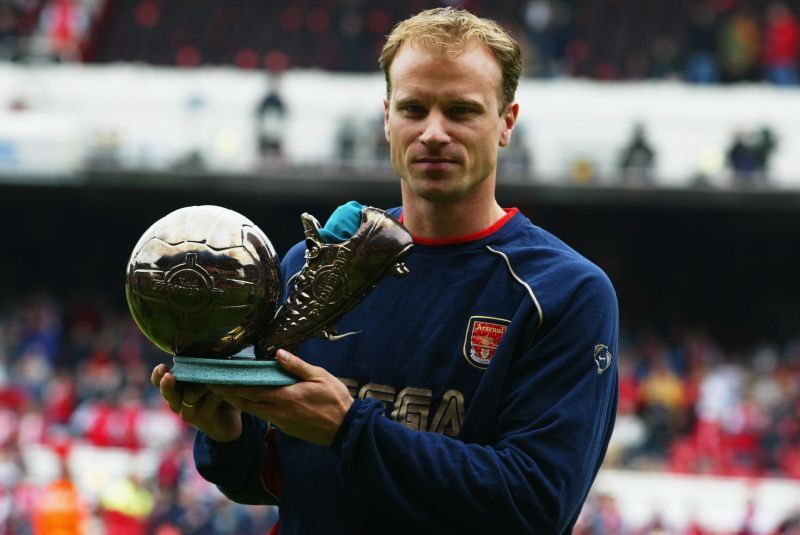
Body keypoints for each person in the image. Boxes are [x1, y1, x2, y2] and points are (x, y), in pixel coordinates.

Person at [152, 7, 618, 534]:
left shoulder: (564, 292)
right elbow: (273, 479)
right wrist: (226, 431)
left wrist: (349, 429)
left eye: (462, 111)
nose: (434, 132)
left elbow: (534, 505)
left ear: (506, 122)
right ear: (387, 116)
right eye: (414, 107)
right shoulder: (312, 265)